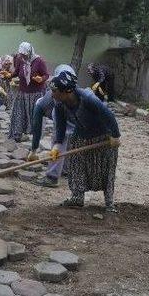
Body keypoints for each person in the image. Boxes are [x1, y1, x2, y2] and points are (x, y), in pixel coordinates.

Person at [49, 70, 121, 212]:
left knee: (106, 168)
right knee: (76, 165)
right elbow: (61, 127)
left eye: (55, 90)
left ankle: (109, 203)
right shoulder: (59, 104)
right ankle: (77, 197)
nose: (52, 94)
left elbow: (108, 115)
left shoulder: (87, 98)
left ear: (66, 91)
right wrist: (57, 145)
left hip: (103, 136)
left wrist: (115, 136)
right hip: (81, 134)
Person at [28, 64, 95, 188]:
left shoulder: (49, 101)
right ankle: (65, 169)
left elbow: (39, 128)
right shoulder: (65, 93)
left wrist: (34, 150)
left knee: (58, 142)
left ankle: (52, 177)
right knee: (64, 141)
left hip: (78, 119)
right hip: (78, 120)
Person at [8, 42, 49, 142]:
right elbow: (17, 72)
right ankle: (17, 134)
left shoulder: (39, 61)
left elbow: (46, 75)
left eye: (25, 54)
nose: (23, 56)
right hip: (22, 92)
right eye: (21, 54)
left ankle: (36, 136)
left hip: (36, 93)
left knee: (35, 115)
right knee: (18, 113)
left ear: (30, 52)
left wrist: (41, 79)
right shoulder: (20, 60)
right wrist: (9, 75)